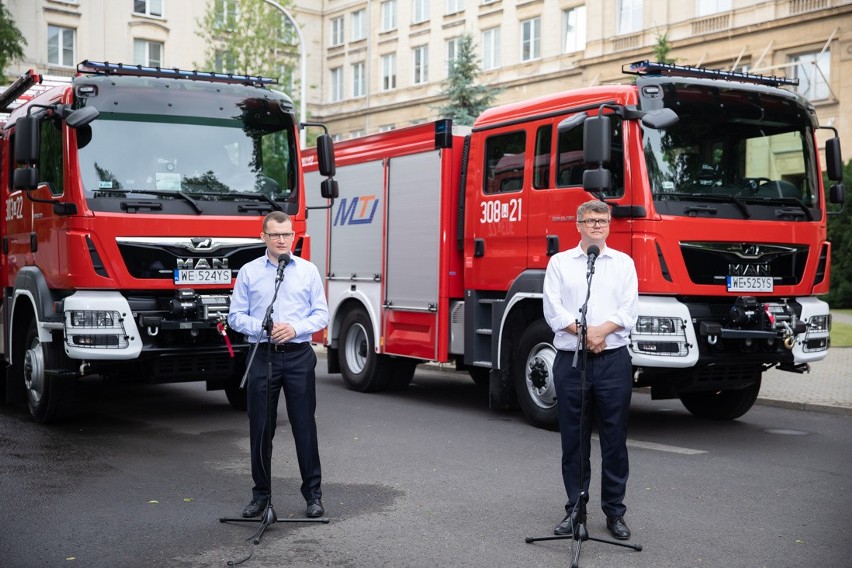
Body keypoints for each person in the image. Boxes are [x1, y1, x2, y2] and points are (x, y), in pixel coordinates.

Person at [542, 199, 638, 540]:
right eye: (590, 220)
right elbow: (552, 308)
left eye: (603, 220)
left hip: (613, 361)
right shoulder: (560, 263)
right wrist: (583, 334)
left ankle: (615, 513)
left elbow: (629, 308)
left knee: (615, 440)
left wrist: (600, 332)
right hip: (572, 363)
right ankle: (575, 511)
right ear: (578, 225)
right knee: (574, 440)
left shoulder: (624, 263)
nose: (597, 225)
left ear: (609, 224)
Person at [228, 211, 329, 519]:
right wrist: (264, 326)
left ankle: (313, 496)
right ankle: (261, 497)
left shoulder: (308, 271)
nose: (282, 240)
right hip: (262, 355)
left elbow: (321, 315)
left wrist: (296, 328)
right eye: (275, 235)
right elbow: (235, 317)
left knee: (304, 428)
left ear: (293, 236)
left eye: (287, 234)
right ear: (264, 237)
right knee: (260, 429)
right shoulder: (248, 271)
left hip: (298, 356)